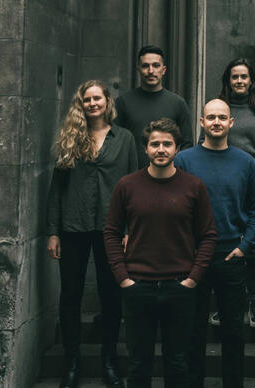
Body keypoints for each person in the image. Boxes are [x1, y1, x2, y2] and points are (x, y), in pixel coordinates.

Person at [103, 118, 217, 388]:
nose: (161, 149)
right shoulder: (127, 186)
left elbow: (209, 235)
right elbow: (111, 232)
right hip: (137, 287)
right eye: (155, 144)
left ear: (177, 149)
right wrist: (122, 278)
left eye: (167, 144)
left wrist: (193, 278)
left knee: (178, 364)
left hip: (180, 287)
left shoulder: (193, 186)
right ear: (146, 149)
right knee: (138, 365)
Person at [46, 80, 137, 388]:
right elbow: (56, 188)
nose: (93, 103)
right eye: (87, 99)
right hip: (72, 226)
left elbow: (134, 187)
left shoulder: (124, 138)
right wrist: (52, 232)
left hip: (110, 228)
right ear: (81, 103)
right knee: (70, 295)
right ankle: (72, 364)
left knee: (110, 295)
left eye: (98, 98)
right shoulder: (71, 136)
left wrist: (129, 229)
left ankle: (108, 361)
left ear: (107, 101)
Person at [176, 99, 255, 388]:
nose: (216, 122)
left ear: (231, 123)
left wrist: (246, 244)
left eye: (221, 117)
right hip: (192, 258)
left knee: (233, 334)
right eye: (210, 117)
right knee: (192, 332)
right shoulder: (184, 161)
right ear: (201, 123)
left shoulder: (245, 162)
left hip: (231, 256)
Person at [197, 57, 255, 327]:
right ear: (228, 81)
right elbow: (203, 144)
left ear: (251, 80)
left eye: (244, 77)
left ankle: (254, 301)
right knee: (221, 239)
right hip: (222, 180)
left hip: (253, 175)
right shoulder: (219, 109)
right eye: (235, 77)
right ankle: (220, 304)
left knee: (250, 243)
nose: (240, 81)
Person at [115, 45, 193, 168]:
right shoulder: (122, 102)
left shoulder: (178, 103)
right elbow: (115, 143)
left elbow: (186, 145)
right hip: (132, 177)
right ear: (139, 70)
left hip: (168, 178)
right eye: (145, 66)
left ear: (163, 70)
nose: (151, 71)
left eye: (156, 65)